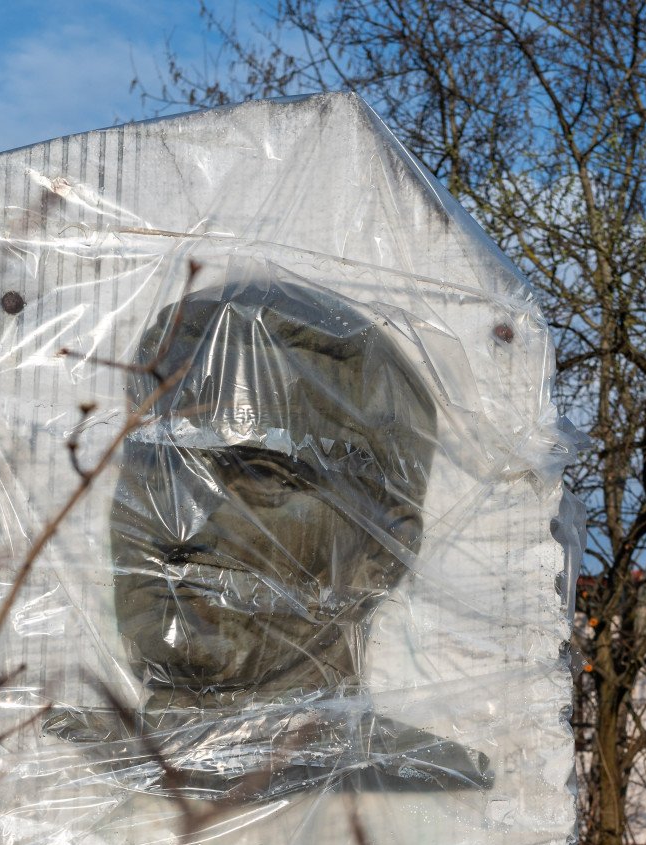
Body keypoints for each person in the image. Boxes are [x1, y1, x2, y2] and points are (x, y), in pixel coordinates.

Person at [45, 276, 492, 797]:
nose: (180, 524)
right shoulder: (34, 764)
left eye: (262, 475)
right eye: (161, 467)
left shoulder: (433, 786)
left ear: (383, 553)